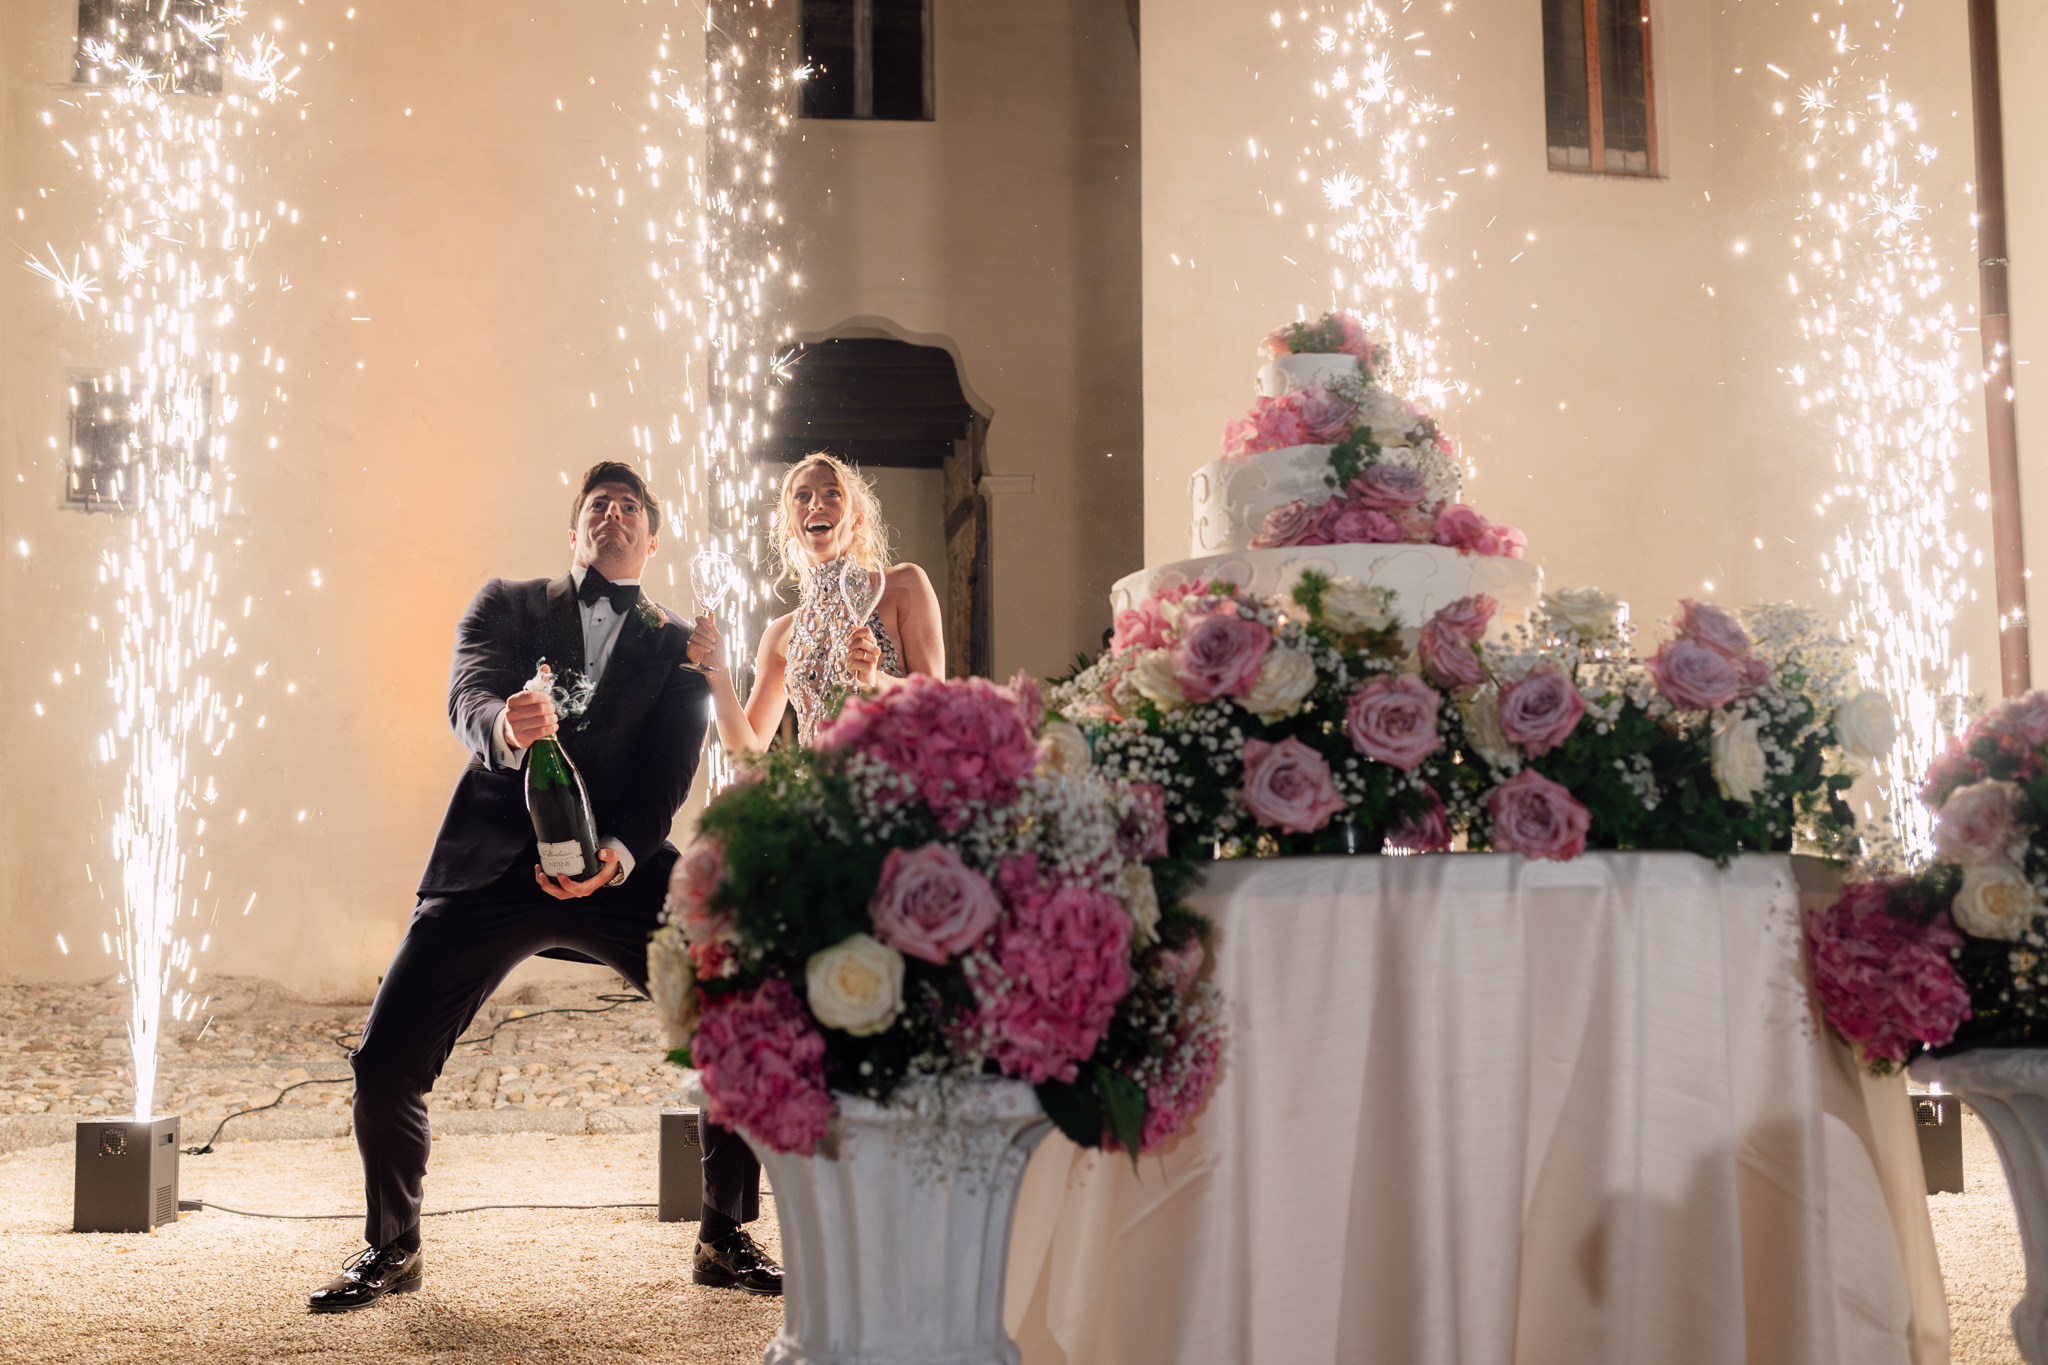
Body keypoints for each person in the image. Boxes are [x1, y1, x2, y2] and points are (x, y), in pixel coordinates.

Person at [309, 462, 783, 1312]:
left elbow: (665, 783)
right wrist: (503, 723)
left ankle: (724, 1231)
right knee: (384, 1064)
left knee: (740, 996)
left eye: (629, 506)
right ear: (575, 532)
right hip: (492, 860)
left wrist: (622, 858)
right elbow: (466, 695)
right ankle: (393, 1242)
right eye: (596, 505)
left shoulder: (681, 646)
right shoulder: (507, 603)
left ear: (652, 535)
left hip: (617, 870)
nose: (613, 514)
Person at [688, 452, 944, 748]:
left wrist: (876, 680)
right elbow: (748, 754)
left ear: (857, 520)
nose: (816, 504)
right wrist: (718, 677)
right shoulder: (780, 634)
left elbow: (938, 706)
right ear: (789, 526)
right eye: (802, 496)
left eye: (832, 493)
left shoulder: (903, 585)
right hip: (815, 792)